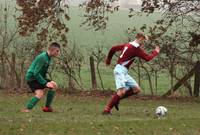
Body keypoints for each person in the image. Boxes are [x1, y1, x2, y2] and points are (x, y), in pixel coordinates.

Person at [102, 33, 160, 114]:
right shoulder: (135, 48)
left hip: (123, 71)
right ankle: (106, 110)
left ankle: (116, 99)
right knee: (121, 92)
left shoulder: (128, 44)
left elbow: (113, 48)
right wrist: (155, 52)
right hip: (120, 70)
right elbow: (147, 58)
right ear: (140, 38)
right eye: (144, 40)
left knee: (136, 89)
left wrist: (108, 60)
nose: (144, 42)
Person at [21, 42, 61, 113]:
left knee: (54, 85)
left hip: (38, 76)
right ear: (52, 50)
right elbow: (36, 73)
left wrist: (46, 81)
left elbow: (41, 72)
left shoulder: (48, 57)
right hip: (32, 78)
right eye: (57, 51)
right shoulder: (43, 57)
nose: (58, 53)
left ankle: (47, 107)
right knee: (40, 93)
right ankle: (26, 109)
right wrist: (45, 83)